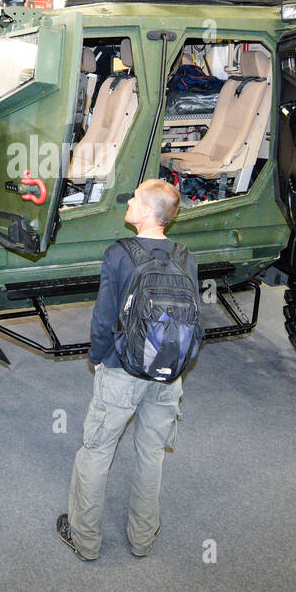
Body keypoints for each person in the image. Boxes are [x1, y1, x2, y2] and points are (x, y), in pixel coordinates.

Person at [57, 179, 199, 561]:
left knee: (96, 451)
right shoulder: (186, 256)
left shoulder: (119, 254)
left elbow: (105, 315)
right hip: (167, 372)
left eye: (134, 200)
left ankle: (85, 540)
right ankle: (143, 537)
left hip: (122, 368)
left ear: (149, 212)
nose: (128, 203)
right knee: (151, 453)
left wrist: (98, 356)